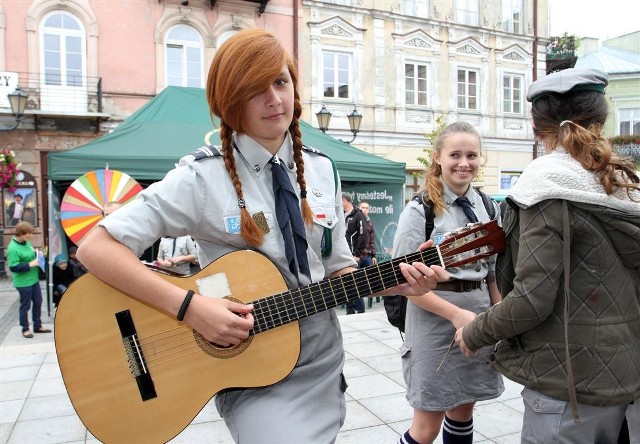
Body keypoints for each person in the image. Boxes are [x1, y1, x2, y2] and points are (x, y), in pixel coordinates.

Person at [76, 28, 447, 443]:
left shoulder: (321, 169)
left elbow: (338, 268)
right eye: (256, 89)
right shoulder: (201, 178)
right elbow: (96, 247)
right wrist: (189, 307)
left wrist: (399, 281)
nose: (274, 98)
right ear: (230, 102)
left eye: (281, 81)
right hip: (250, 367)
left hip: (321, 357)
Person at [454, 68, 640, 443]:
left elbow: (532, 300)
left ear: (536, 127)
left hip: (568, 384)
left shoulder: (545, 187)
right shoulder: (621, 183)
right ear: (601, 119)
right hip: (627, 375)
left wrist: (474, 332)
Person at [392, 121, 504, 444]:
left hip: (478, 322)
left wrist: (497, 320)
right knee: (426, 426)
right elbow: (401, 280)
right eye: (455, 154)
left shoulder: (486, 206)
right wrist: (455, 315)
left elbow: (492, 272)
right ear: (438, 157)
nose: (464, 163)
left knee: (463, 412)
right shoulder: (420, 210)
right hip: (434, 324)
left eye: (472, 155)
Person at [6, 221, 51, 338]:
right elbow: (13, 267)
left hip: (33, 279)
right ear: (20, 234)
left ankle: (37, 325)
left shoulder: (26, 242)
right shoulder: (12, 248)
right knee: (25, 305)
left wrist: (38, 254)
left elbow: (30, 253)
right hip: (23, 282)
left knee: (38, 302)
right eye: (28, 234)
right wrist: (31, 264)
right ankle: (25, 329)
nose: (31, 236)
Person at [342, 192, 368, 314]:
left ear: (344, 201)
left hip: (354, 255)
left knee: (354, 282)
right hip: (343, 254)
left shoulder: (358, 215)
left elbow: (363, 235)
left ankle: (361, 309)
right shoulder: (340, 214)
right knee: (346, 282)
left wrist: (357, 254)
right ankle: (349, 308)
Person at [358, 201, 377, 266]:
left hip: (367, 256)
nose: (365, 210)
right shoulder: (354, 220)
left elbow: (371, 241)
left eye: (367, 208)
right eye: (363, 207)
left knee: (370, 275)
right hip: (357, 256)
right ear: (358, 208)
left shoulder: (370, 223)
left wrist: (373, 256)